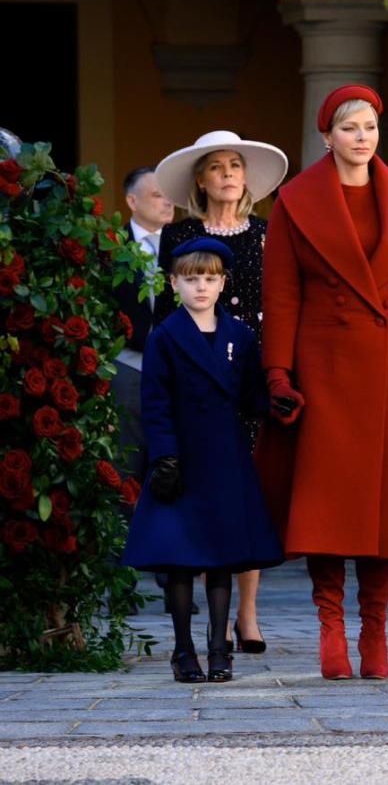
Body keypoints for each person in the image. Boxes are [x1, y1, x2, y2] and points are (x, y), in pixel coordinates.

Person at [257, 84, 388, 681]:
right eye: (349, 128)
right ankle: (330, 626)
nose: (361, 137)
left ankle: (375, 630)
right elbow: (283, 296)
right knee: (329, 504)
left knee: (385, 509)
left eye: (369, 126)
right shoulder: (294, 203)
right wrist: (278, 373)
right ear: (327, 136)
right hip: (323, 368)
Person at [120, 238, 284, 683]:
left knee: (221, 557)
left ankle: (218, 650)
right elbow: (155, 402)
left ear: (223, 282)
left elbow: (251, 394)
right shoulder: (167, 335)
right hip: (180, 456)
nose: (201, 287)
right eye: (191, 279)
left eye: (210, 279)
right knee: (179, 558)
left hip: (225, 456)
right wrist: (165, 456)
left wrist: (276, 403)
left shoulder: (239, 334)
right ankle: (183, 649)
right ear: (174, 283)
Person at [154, 130, 287, 655]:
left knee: (246, 493)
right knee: (199, 491)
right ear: (201, 180)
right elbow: (166, 310)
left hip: (248, 372)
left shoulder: (267, 233)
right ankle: (206, 622)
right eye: (217, 166)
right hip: (194, 372)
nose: (229, 173)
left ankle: (246, 615)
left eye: (236, 165)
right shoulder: (179, 235)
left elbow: (280, 305)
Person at [111, 166, 175, 613]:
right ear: (132, 202)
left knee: (171, 470)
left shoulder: (183, 247)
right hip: (129, 369)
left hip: (174, 374)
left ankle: (175, 581)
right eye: (156, 196)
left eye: (169, 195)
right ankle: (120, 585)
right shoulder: (110, 248)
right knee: (124, 472)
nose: (166, 202)